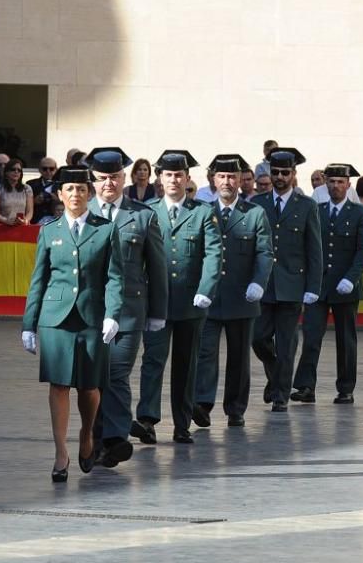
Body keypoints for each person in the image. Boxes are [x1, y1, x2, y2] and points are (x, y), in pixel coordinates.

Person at [21, 166, 124, 481]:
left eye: (81, 189)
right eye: (70, 190)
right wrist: (29, 323)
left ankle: (87, 434)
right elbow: (39, 279)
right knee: (59, 384)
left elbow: (114, 276)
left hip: (92, 315)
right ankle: (60, 452)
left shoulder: (105, 230)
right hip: (56, 318)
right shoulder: (49, 231)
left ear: (89, 194)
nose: (76, 195)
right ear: (59, 195)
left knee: (90, 387)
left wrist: (112, 313)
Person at [85, 147, 167, 468]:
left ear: (124, 178)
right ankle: (94, 436)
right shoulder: (81, 212)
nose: (109, 183)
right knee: (94, 377)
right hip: (90, 312)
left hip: (130, 311)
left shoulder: (142, 215)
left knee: (117, 373)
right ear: (93, 181)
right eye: (102, 178)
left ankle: (116, 438)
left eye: (115, 177)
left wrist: (158, 312)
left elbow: (157, 268)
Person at [133, 151, 222, 444]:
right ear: (160, 178)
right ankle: (147, 419)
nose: (173, 180)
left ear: (187, 178)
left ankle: (182, 423)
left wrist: (205, 290)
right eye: (168, 175)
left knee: (186, 364)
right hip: (156, 303)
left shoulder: (202, 212)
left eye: (178, 175)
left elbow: (213, 255)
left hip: (189, 301)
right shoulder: (147, 211)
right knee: (153, 360)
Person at [193, 155, 273, 428]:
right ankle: (202, 403)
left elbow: (265, 252)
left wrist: (258, 282)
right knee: (205, 352)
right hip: (210, 297)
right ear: (213, 180)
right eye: (222, 177)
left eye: (232, 177)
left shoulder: (254, 213)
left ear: (240, 181)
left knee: (239, 356)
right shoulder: (202, 211)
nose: (227, 182)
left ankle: (236, 408)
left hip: (242, 297)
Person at [292, 163, 363, 404]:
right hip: (318, 286)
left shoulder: (360, 213)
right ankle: (306, 386)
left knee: (346, 339)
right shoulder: (316, 210)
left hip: (346, 286)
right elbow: (308, 248)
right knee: (311, 335)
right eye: (332, 182)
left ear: (348, 185)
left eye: (340, 182)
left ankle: (346, 388)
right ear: (325, 184)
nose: (336, 186)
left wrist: (351, 278)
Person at [250, 148, 323, 411]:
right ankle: (275, 372)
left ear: (294, 174)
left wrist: (313, 287)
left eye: (285, 172)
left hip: (293, 285)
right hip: (263, 284)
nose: (280, 177)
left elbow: (314, 249)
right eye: (276, 172)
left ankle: (280, 395)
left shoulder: (306, 206)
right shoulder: (257, 204)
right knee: (258, 337)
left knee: (286, 343)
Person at [0, 158, 33, 226]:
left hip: (22, 226)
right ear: (6, 172)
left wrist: (25, 220)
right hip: (4, 226)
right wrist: (6, 221)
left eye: (19, 170)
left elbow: (30, 211)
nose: (16, 172)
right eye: (13, 169)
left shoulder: (27, 189)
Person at [28, 157, 59, 224]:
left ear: (56, 169)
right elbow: (23, 204)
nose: (48, 171)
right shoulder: (30, 184)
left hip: (56, 222)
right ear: (39, 170)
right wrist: (34, 201)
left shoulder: (62, 185)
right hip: (36, 221)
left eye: (51, 169)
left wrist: (57, 200)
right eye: (45, 169)